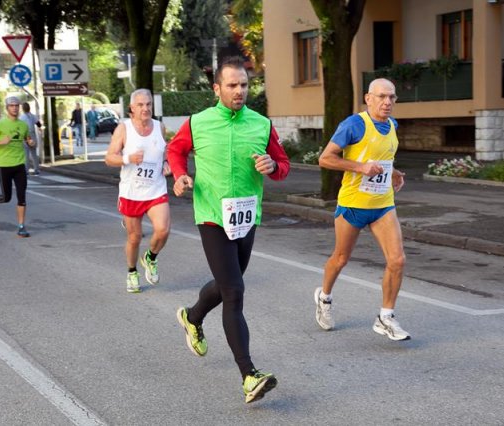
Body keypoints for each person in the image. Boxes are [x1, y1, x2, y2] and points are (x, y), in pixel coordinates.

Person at [168, 56, 290, 404]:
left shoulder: (262, 125)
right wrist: (180, 175)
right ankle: (249, 375)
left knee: (226, 285)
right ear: (217, 88)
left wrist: (272, 166)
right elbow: (176, 151)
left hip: (247, 218)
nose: (240, 91)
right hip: (211, 216)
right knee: (234, 291)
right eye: (233, 85)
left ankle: (192, 317)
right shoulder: (198, 123)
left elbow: (283, 166)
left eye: (245, 85)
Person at [314, 78, 410, 341]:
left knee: (397, 260)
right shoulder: (354, 125)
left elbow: (382, 158)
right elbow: (325, 158)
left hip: (382, 204)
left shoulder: (392, 125)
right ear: (368, 98)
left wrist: (394, 173)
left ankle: (386, 317)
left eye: (392, 97)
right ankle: (324, 298)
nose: (387, 102)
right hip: (353, 204)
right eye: (381, 96)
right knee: (341, 259)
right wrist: (360, 167)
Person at [105, 88, 171, 293]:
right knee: (135, 237)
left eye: (149, 104)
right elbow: (109, 158)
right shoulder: (124, 129)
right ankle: (132, 271)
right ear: (132, 108)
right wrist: (128, 158)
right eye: (141, 105)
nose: (146, 108)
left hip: (155, 189)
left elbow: (165, 152)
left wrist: (167, 163)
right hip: (131, 192)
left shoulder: (160, 127)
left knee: (163, 229)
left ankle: (150, 257)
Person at [0, 96, 35, 238]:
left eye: (16, 105)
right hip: (4, 165)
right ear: (7, 108)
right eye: (11, 106)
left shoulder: (23, 125)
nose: (14, 108)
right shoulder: (0, 124)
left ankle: (21, 226)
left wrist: (30, 142)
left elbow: (27, 138)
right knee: (6, 198)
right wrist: (0, 142)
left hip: (20, 164)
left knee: (21, 196)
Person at [19, 102, 41, 175]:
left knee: (26, 154)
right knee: (34, 153)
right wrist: (40, 129)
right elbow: (39, 124)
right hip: (33, 135)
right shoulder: (33, 116)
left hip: (26, 136)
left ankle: (26, 170)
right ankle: (36, 169)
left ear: (23, 109)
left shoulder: (22, 117)